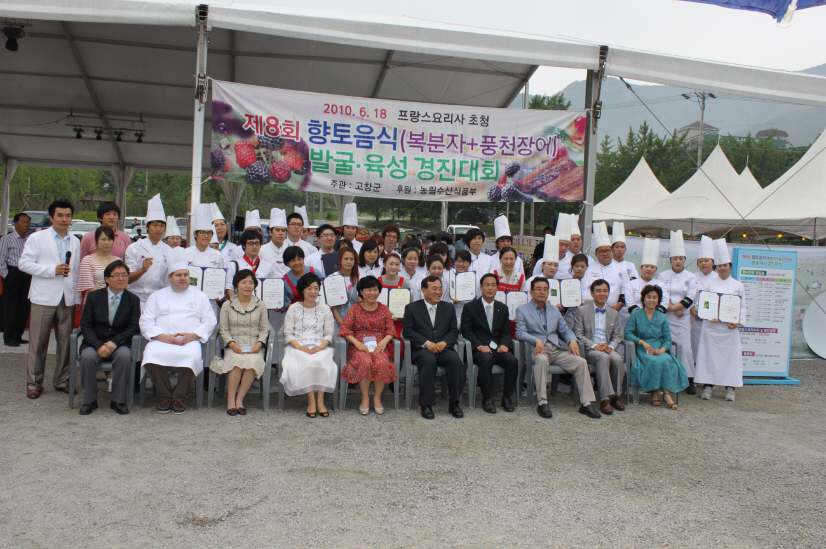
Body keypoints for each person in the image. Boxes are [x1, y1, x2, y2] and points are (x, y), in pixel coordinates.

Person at [140, 248, 217, 414]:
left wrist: (193, 335)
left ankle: (180, 397)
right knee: (150, 355)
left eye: (185, 275)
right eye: (178, 275)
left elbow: (210, 320)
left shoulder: (200, 296)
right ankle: (165, 396)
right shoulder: (156, 296)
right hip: (161, 340)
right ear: (170, 278)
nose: (183, 278)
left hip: (188, 341)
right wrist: (164, 337)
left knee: (192, 356)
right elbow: (146, 321)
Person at [18, 199, 81, 399]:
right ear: (51, 217)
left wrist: (77, 296)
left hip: (66, 298)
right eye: (60, 215)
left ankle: (62, 380)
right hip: (43, 297)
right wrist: (51, 270)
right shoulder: (37, 238)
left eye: (68, 215)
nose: (64, 219)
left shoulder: (75, 241)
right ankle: (34, 383)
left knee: (65, 343)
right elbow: (24, 264)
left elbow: (76, 272)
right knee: (38, 343)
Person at [515, 277, 601, 419]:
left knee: (581, 362)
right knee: (542, 360)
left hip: (556, 349)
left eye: (545, 289)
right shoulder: (522, 310)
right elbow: (520, 333)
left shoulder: (554, 309)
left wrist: (572, 340)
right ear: (531, 292)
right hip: (538, 349)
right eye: (538, 289)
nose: (542, 292)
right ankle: (542, 402)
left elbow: (565, 330)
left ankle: (586, 403)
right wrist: (536, 340)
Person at [77, 260, 141, 415]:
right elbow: (86, 325)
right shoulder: (93, 297)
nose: (121, 279)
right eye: (116, 275)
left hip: (119, 344)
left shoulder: (133, 300)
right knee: (87, 357)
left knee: (124, 357)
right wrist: (98, 346)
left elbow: (134, 327)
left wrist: (115, 342)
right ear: (107, 279)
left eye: (124, 275)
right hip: (95, 343)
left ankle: (118, 400)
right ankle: (90, 401)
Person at [403, 275, 465, 420]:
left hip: (444, 348)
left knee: (456, 361)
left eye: (440, 289)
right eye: (434, 289)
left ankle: (455, 403)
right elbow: (408, 331)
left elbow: (453, 331)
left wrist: (445, 342)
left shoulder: (448, 308)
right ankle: (426, 404)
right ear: (424, 290)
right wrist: (426, 343)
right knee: (428, 361)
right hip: (423, 349)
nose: (438, 292)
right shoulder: (412, 308)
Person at [209, 269, 269, 416]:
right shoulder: (227, 305)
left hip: (254, 346)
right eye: (244, 282)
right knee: (236, 362)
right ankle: (230, 400)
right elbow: (224, 330)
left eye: (250, 283)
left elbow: (264, 329)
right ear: (236, 286)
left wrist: (259, 344)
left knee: (253, 362)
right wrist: (231, 344)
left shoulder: (260, 305)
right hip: (234, 346)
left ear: (255, 285)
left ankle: (239, 399)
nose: (247, 286)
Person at [279, 273, 337, 417]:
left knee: (320, 359)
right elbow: (288, 333)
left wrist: (321, 346)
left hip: (320, 346)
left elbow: (329, 333)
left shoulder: (325, 308)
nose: (313, 292)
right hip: (298, 346)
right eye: (309, 288)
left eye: (316, 288)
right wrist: (300, 347)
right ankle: (311, 400)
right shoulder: (293, 308)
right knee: (307, 360)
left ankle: (320, 400)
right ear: (302, 290)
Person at [695, 239, 746, 402]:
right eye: (720, 265)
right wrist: (708, 314)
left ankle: (730, 388)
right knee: (709, 357)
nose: (722, 268)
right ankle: (708, 385)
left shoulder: (738, 286)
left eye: (725, 265)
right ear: (716, 266)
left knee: (730, 358)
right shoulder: (709, 284)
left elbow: (742, 307)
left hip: (729, 330)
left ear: (730, 266)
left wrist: (737, 322)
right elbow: (701, 304)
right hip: (711, 328)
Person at [339, 276, 398, 415]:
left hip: (379, 345)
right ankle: (365, 397)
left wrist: (384, 341)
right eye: (369, 290)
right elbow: (344, 330)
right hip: (359, 346)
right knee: (365, 361)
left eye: (375, 290)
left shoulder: (384, 309)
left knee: (381, 362)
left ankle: (377, 398)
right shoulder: (354, 309)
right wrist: (356, 343)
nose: (373, 293)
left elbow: (391, 330)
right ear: (361, 292)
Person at [624, 284, 689, 409]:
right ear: (643, 299)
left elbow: (667, 339)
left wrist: (662, 349)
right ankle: (654, 391)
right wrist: (642, 342)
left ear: (658, 300)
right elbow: (628, 333)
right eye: (649, 297)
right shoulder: (635, 315)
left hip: (659, 348)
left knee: (666, 359)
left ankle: (666, 394)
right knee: (652, 360)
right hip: (643, 349)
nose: (651, 300)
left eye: (655, 297)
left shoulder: (662, 317)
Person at [461, 273, 518, 414]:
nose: (490, 288)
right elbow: (466, 331)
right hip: (479, 349)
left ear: (497, 288)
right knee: (486, 360)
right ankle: (487, 398)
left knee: (512, 361)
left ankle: (507, 398)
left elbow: (506, 331)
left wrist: (505, 344)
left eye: (493, 285)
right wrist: (479, 345)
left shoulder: (502, 308)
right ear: (481, 287)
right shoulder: (470, 307)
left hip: (498, 348)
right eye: (487, 285)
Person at [573, 279, 626, 414]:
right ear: (592, 293)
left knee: (618, 359)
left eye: (605, 291)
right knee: (603, 358)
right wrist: (594, 345)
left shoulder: (613, 313)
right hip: (590, 349)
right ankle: (604, 398)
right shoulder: (582, 310)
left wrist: (611, 347)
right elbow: (578, 334)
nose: (602, 294)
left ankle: (616, 395)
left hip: (607, 348)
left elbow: (617, 336)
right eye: (598, 291)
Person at [658, 230, 699, 394]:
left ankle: (689, 379)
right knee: (667, 347)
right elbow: (661, 295)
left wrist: (677, 308)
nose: (678, 261)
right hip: (666, 316)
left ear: (684, 260)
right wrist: (674, 309)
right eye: (675, 258)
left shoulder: (691, 276)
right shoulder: (663, 275)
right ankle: (668, 378)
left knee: (685, 349)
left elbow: (691, 296)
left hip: (683, 319)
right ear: (670, 260)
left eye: (681, 258)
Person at [124, 194, 171, 305]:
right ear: (147, 227)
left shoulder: (168, 250)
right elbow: (128, 278)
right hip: (134, 296)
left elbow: (168, 280)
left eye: (161, 226)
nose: (158, 229)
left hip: (158, 297)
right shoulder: (134, 248)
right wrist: (143, 269)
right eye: (154, 225)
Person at [0, 212, 31, 346]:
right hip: (12, 273)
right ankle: (9, 337)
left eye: (28, 222)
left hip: (27, 274)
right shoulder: (7, 239)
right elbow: (1, 259)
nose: (26, 225)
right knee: (11, 307)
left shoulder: (29, 239)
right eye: (23, 222)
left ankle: (18, 336)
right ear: (16, 223)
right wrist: (6, 276)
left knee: (23, 306)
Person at [582, 222, 626, 312]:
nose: (605, 254)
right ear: (596, 253)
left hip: (615, 310)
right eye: (602, 251)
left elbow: (626, 290)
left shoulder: (621, 268)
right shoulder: (590, 269)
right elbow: (586, 291)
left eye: (607, 251)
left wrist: (618, 306)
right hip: (594, 310)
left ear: (612, 251)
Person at [689, 236, 717, 365]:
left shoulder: (718, 278)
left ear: (713, 262)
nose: (704, 263)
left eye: (707, 260)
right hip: (695, 320)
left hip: (712, 320)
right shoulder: (692, 277)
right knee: (695, 346)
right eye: (701, 261)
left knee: (710, 348)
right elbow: (689, 298)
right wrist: (694, 313)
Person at [224, 229, 275, 300]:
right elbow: (229, 289)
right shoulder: (233, 265)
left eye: (257, 243)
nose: (254, 246)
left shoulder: (268, 266)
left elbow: (272, 288)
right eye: (250, 243)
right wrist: (238, 303)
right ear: (244, 246)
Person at [624, 238, 669, 314]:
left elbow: (665, 302)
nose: (649, 269)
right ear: (641, 268)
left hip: (655, 317)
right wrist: (642, 316)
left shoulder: (661, 285)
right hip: (636, 317)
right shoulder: (631, 284)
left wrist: (652, 315)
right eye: (646, 266)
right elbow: (630, 302)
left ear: (656, 270)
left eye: (652, 267)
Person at [78, 226, 120, 299]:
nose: (107, 243)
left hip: (115, 300)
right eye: (103, 239)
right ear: (96, 240)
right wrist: (105, 299)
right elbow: (89, 287)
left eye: (110, 239)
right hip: (94, 300)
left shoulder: (118, 261)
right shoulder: (87, 260)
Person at [327, 246, 360, 325]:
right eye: (346, 259)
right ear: (340, 260)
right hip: (335, 321)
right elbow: (332, 304)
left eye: (351, 259)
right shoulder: (332, 278)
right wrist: (340, 321)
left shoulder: (359, 279)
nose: (349, 262)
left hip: (355, 320)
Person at [451, 249, 480, 326]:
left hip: (469, 315)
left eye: (464, 261)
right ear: (455, 262)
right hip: (453, 314)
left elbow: (478, 297)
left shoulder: (475, 278)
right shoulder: (450, 277)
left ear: (469, 263)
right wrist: (451, 301)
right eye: (458, 261)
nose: (461, 264)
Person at [259, 208, 290, 277]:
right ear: (270, 232)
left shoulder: (290, 250)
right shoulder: (261, 251)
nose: (280, 233)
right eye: (277, 230)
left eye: (283, 230)